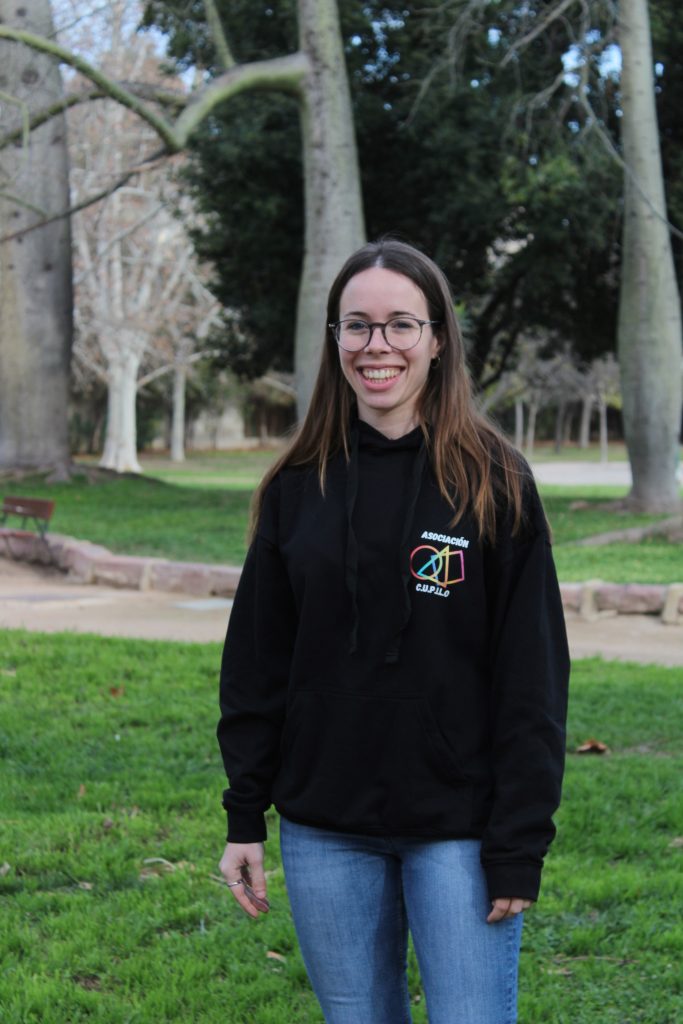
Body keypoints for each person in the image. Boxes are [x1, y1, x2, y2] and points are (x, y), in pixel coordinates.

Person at [217, 239, 570, 1024]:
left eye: (400, 324)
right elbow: (255, 666)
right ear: (335, 339)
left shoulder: (494, 480)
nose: (376, 346)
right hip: (324, 829)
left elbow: (532, 678)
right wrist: (245, 815)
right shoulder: (295, 486)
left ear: (437, 339)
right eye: (357, 325)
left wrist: (518, 841)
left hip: (459, 831)